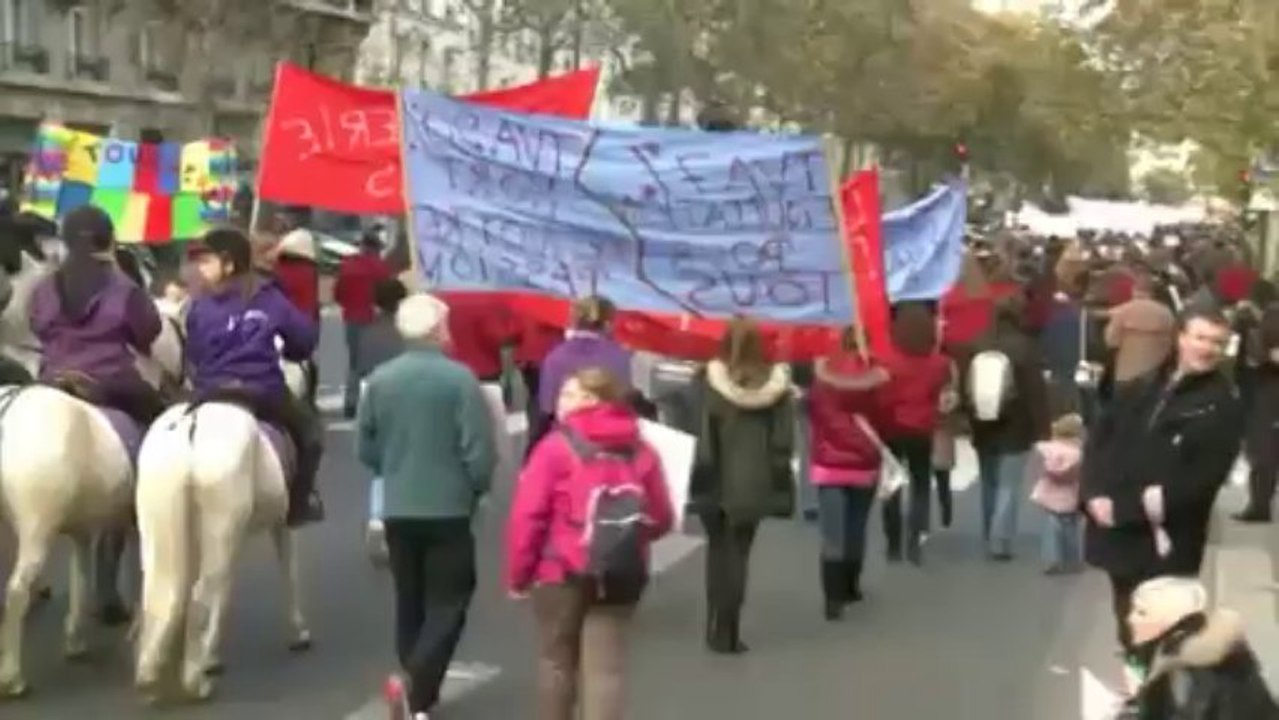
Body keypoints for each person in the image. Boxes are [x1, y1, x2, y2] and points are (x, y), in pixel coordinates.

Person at [505, 367, 675, 720]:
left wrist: (519, 575)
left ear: (593, 400)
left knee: (556, 662)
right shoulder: (641, 449)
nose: (561, 401)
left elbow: (528, 517)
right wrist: (625, 540)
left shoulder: (555, 448)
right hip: (620, 570)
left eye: (570, 394)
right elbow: (661, 517)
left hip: (559, 571)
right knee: (606, 671)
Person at [357, 292, 496, 720]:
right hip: (449, 505)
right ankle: (414, 682)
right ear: (437, 330)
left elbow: (367, 448)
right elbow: (478, 449)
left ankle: (417, 698)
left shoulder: (380, 380)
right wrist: (477, 487)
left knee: (410, 600)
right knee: (450, 600)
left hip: (398, 503)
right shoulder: (460, 380)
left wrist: (392, 467)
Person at [1083, 307, 1244, 669]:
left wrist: (1126, 509)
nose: (1207, 348)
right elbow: (1100, 441)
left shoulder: (1222, 405)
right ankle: (1138, 677)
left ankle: (1152, 686)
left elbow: (1201, 481)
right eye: (1200, 338)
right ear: (1180, 337)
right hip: (1120, 531)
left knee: (1164, 631)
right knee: (1128, 618)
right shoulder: (1145, 385)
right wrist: (1093, 494)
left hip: (1167, 537)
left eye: (1216, 342)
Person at [185, 228, 324, 526]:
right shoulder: (270, 297)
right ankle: (300, 503)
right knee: (311, 435)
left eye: (206, 261)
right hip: (262, 390)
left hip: (209, 390)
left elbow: (194, 353)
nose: (200, 269)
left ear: (229, 264)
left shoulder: (199, 304)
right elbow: (302, 342)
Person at [691, 317, 794, 654]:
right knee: (739, 554)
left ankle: (712, 622)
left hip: (711, 476)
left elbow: (697, 430)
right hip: (753, 479)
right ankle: (729, 629)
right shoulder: (777, 388)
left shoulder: (706, 381)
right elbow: (783, 442)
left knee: (716, 550)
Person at [29, 205, 165, 429]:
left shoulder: (43, 288)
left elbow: (37, 327)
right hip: (111, 384)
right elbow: (150, 330)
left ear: (66, 241)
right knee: (160, 418)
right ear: (109, 240)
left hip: (52, 380)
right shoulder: (124, 288)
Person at [807, 329, 889, 620]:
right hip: (865, 463)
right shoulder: (876, 374)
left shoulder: (824, 374)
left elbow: (814, 413)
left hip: (829, 464)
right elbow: (885, 415)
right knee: (857, 527)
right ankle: (851, 586)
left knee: (832, 534)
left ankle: (832, 599)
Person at [965, 296, 1051, 561]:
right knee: (1008, 485)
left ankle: (988, 531)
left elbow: (966, 387)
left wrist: (969, 418)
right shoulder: (1025, 347)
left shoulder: (978, 343)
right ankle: (1000, 541)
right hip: (1016, 425)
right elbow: (1036, 393)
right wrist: (1043, 429)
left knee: (989, 481)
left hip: (983, 424)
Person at [1120, 577, 1279, 718]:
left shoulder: (1193, 667)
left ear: (1170, 619)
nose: (1130, 619)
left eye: (1142, 613)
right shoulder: (1169, 656)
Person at [878, 302, 951, 565]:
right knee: (920, 484)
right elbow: (942, 394)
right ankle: (914, 540)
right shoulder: (939, 364)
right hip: (921, 427)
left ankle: (893, 543)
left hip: (890, 426)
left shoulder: (886, 360)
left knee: (891, 484)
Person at [536, 296, 631, 448]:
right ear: (608, 324)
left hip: (565, 440)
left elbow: (546, 407)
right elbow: (625, 403)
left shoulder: (555, 356)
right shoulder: (620, 356)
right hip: (610, 438)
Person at [334, 227, 393, 417]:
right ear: (376, 248)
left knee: (355, 363)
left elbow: (338, 294)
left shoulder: (348, 266)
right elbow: (388, 295)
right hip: (375, 320)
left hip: (352, 319)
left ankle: (351, 403)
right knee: (378, 364)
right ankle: (376, 405)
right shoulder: (381, 268)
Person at [1237, 287, 1279, 523]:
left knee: (1263, 451)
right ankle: (1259, 505)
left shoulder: (1271, 316)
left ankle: (1260, 506)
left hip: (1270, 392)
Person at [1029, 414, 1086, 575]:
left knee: (1051, 528)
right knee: (1072, 528)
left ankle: (1051, 559)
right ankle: (1074, 560)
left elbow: (1037, 452)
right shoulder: (1078, 453)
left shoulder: (1048, 449)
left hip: (1050, 495)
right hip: (1071, 495)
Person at [1105, 272, 1176, 388]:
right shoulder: (1167, 313)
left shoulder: (1123, 311)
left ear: (1134, 290)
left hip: (1127, 375)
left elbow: (1111, 341)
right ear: (1152, 293)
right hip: (1156, 376)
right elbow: (1173, 342)